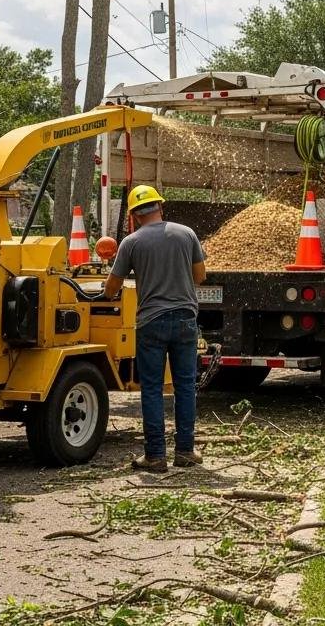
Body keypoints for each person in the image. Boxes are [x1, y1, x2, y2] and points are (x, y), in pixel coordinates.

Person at [104, 185, 207, 473]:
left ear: (135, 215)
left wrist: (107, 289)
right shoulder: (186, 234)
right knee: (185, 386)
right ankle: (185, 451)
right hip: (186, 319)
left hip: (151, 322)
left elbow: (112, 289)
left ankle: (155, 456)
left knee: (152, 388)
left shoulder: (131, 242)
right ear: (160, 207)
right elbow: (200, 277)